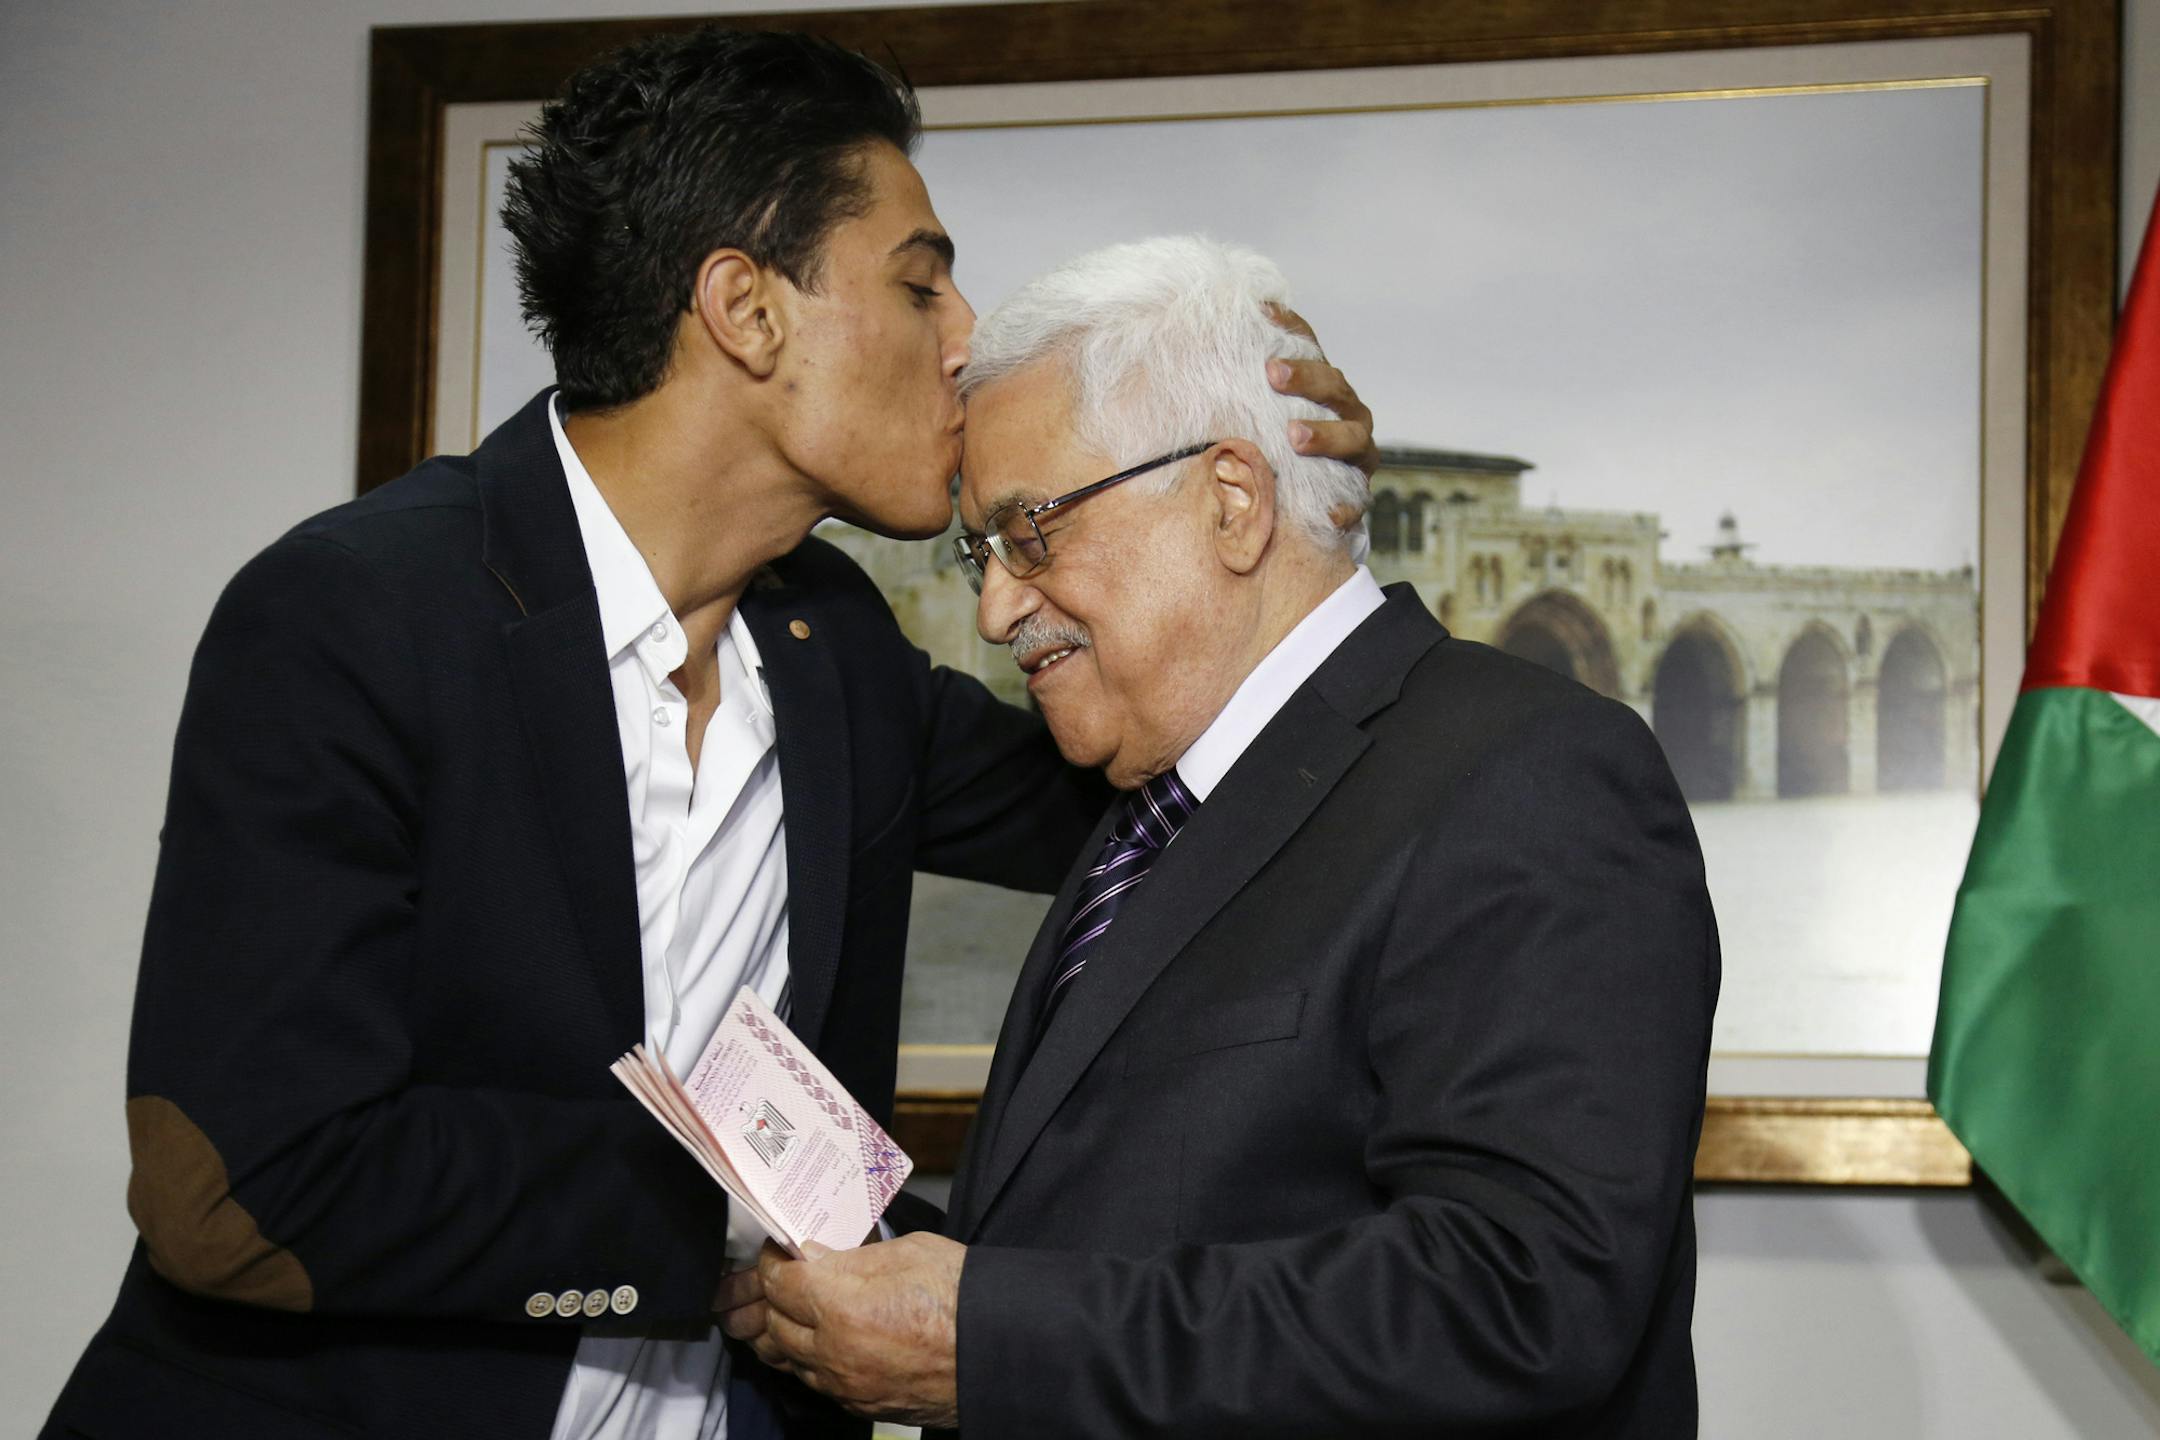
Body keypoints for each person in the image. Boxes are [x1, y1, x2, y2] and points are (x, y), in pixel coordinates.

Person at [38, 32, 1377, 1440]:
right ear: (745, 309)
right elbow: (242, 1188)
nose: (967, 334)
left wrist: (1282, 515)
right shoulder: (351, 619)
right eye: (920, 281)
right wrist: (740, 1219)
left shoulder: (835, 649)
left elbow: (1165, 800)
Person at [731, 235, 1721, 1437]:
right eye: (977, 553)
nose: (993, 607)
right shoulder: (1157, 802)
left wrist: (990, 1334)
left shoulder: (1528, 775)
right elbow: (1146, 1226)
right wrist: (890, 1288)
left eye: (1030, 531)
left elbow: (1520, 1296)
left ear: (1235, 502)